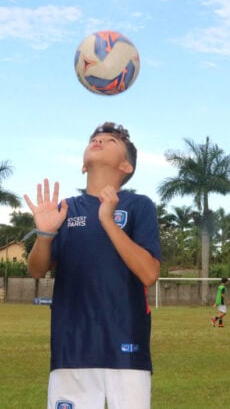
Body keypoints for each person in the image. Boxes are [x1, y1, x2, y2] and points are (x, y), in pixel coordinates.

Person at [25, 122, 161, 409]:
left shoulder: (139, 206)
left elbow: (149, 274)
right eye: (94, 139)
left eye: (110, 140)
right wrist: (46, 235)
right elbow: (36, 270)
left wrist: (108, 221)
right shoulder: (65, 209)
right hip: (71, 350)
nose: (98, 141)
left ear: (126, 166)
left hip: (127, 350)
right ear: (83, 166)